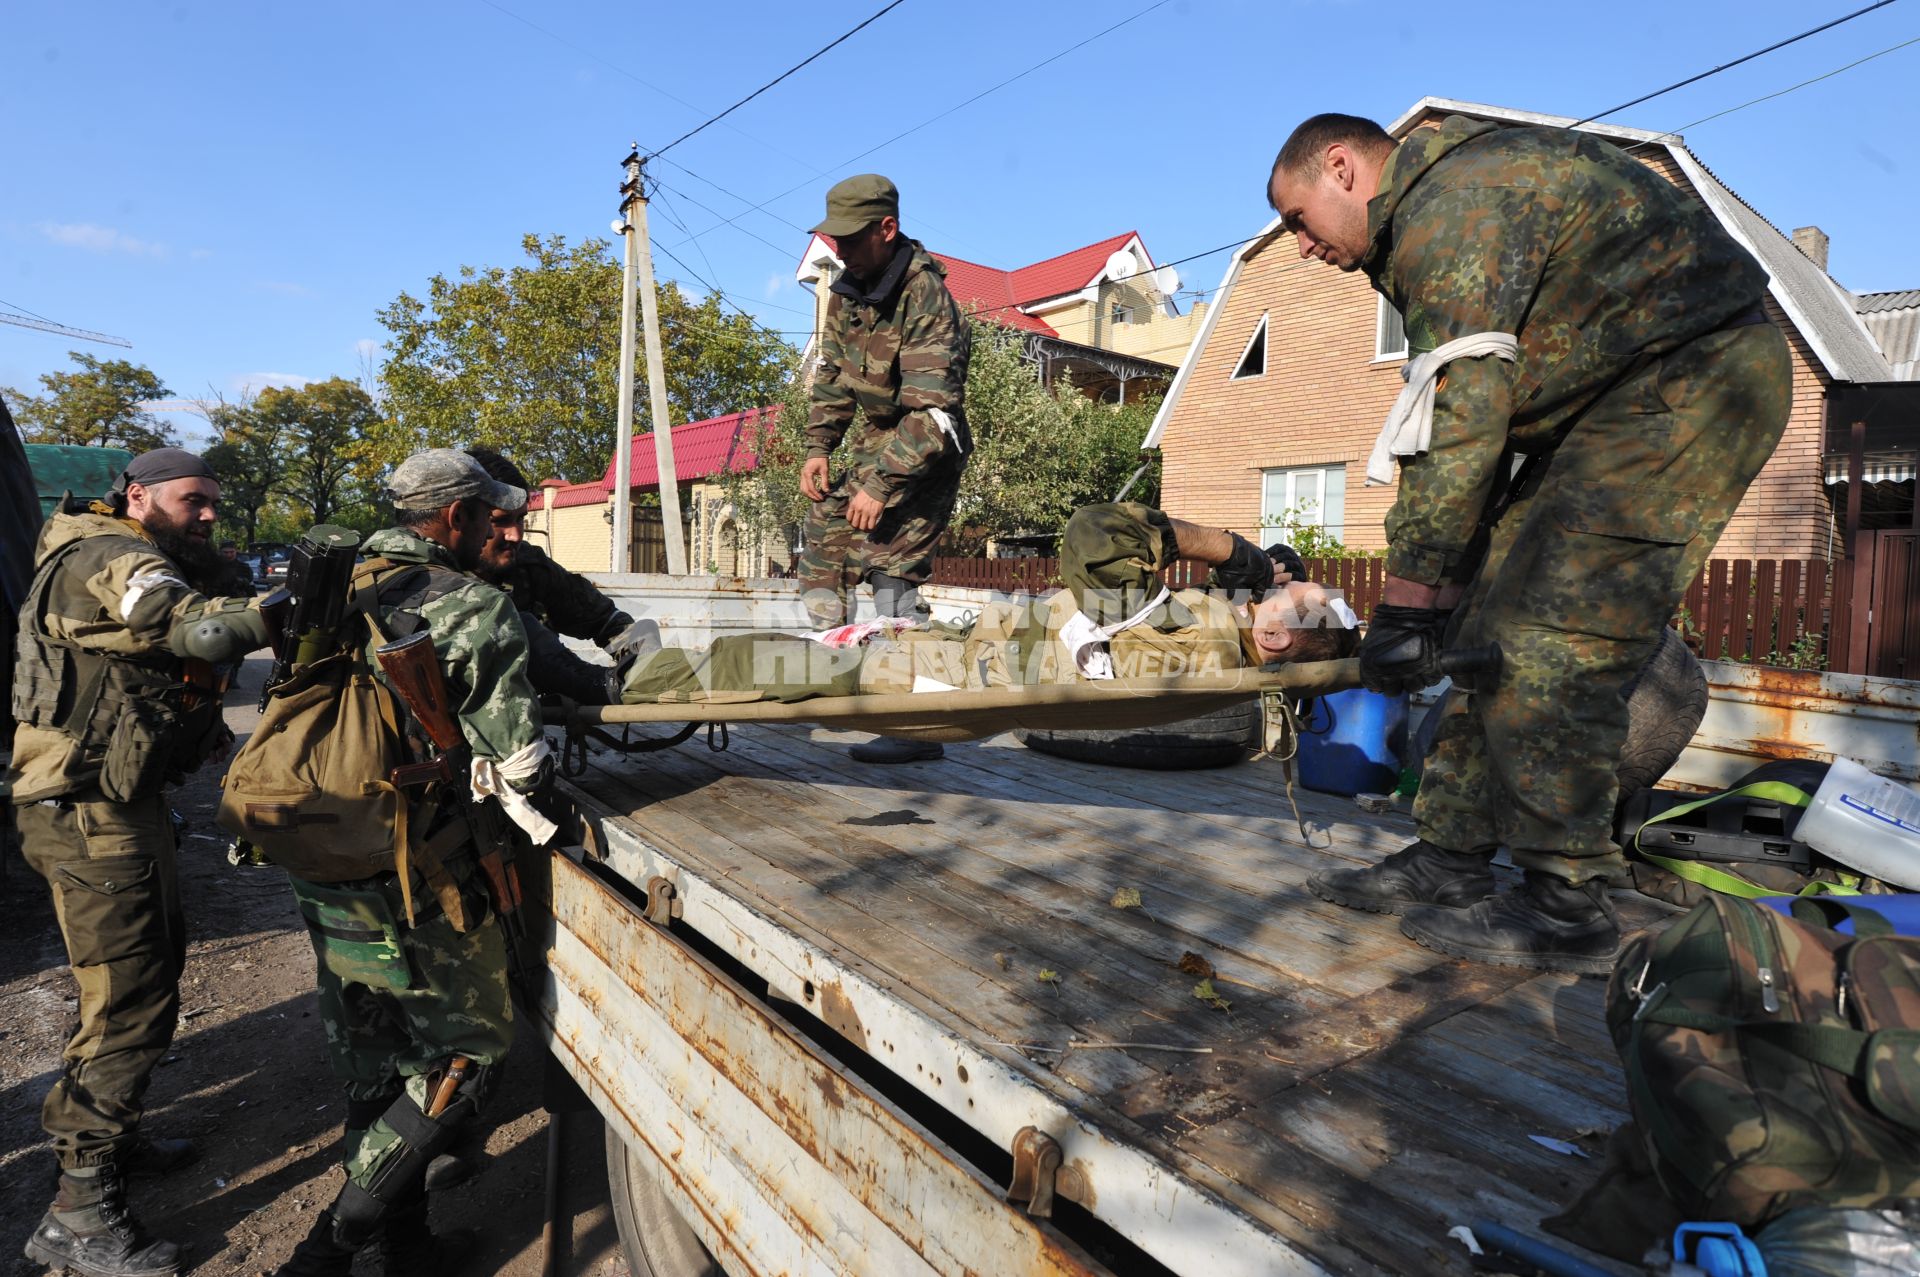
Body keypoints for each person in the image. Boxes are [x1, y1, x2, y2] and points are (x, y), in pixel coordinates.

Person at [1266, 112, 1790, 973]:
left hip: (1689, 381)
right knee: (1481, 635)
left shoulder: (1452, 209)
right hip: (1602, 404)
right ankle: (1453, 855)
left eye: (1298, 220)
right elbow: (1471, 419)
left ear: (1342, 167)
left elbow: (1462, 423)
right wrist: (1437, 603)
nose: (1301, 248)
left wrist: (1403, 604)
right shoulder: (1422, 222)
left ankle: (1566, 899)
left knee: (1556, 636)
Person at [276, 449, 548, 1276]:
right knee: (464, 1058)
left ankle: (407, 1244)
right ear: (454, 516)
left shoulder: (332, 588)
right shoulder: (472, 605)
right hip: (421, 876)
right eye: (488, 515)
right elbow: (519, 764)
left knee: (373, 1060)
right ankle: (326, 1250)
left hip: (326, 858)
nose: (502, 529)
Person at [11, 448, 274, 1277]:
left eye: (212, 504)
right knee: (127, 999)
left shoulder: (142, 551)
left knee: (147, 977)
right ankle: (78, 1210)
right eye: (191, 500)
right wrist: (283, 607)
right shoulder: (105, 556)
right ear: (137, 495)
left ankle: (107, 1151)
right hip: (86, 812)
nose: (206, 515)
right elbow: (192, 627)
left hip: (117, 805)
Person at [616, 502, 1355, 704]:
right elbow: (1235, 617)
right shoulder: (1223, 635)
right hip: (978, 649)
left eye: (1298, 596)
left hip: (960, 672)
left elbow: (1095, 531)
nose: (1286, 582)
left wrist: (1232, 551)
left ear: (1282, 638)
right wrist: (1258, 583)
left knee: (783, 664)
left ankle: (644, 678)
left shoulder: (1194, 641)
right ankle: (661, 666)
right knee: (801, 655)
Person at [801, 173, 972, 763]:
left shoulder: (928, 299)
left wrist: (880, 485)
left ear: (887, 229)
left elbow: (932, 414)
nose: (838, 250)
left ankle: (916, 728)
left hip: (923, 451)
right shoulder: (849, 291)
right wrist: (819, 444)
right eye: (834, 239)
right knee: (823, 548)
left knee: (892, 579)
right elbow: (832, 374)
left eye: (849, 238)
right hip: (874, 444)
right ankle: (836, 681)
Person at [463, 446, 657, 706]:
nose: (515, 535)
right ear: (461, 517)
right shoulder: (426, 578)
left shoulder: (529, 566)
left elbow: (607, 622)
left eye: (520, 519)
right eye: (501, 521)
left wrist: (647, 667)